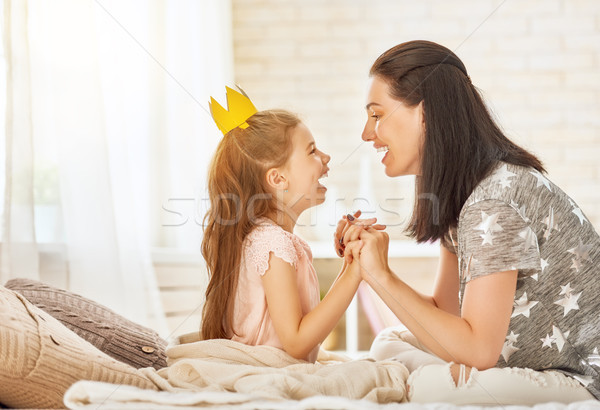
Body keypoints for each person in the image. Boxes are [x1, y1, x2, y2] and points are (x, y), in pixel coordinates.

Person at [336, 40, 600, 401]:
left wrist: (380, 276)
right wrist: (373, 270)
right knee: (387, 345)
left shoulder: (492, 201)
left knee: (427, 386)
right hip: (522, 358)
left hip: (585, 378)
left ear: (424, 114)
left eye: (377, 115)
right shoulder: (463, 193)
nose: (367, 134)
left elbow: (477, 350)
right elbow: (449, 313)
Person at [201, 86, 370, 362]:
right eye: (312, 151)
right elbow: (296, 342)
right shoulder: (272, 243)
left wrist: (351, 264)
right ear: (278, 179)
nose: (326, 158)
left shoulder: (270, 239)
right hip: (271, 373)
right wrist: (355, 274)